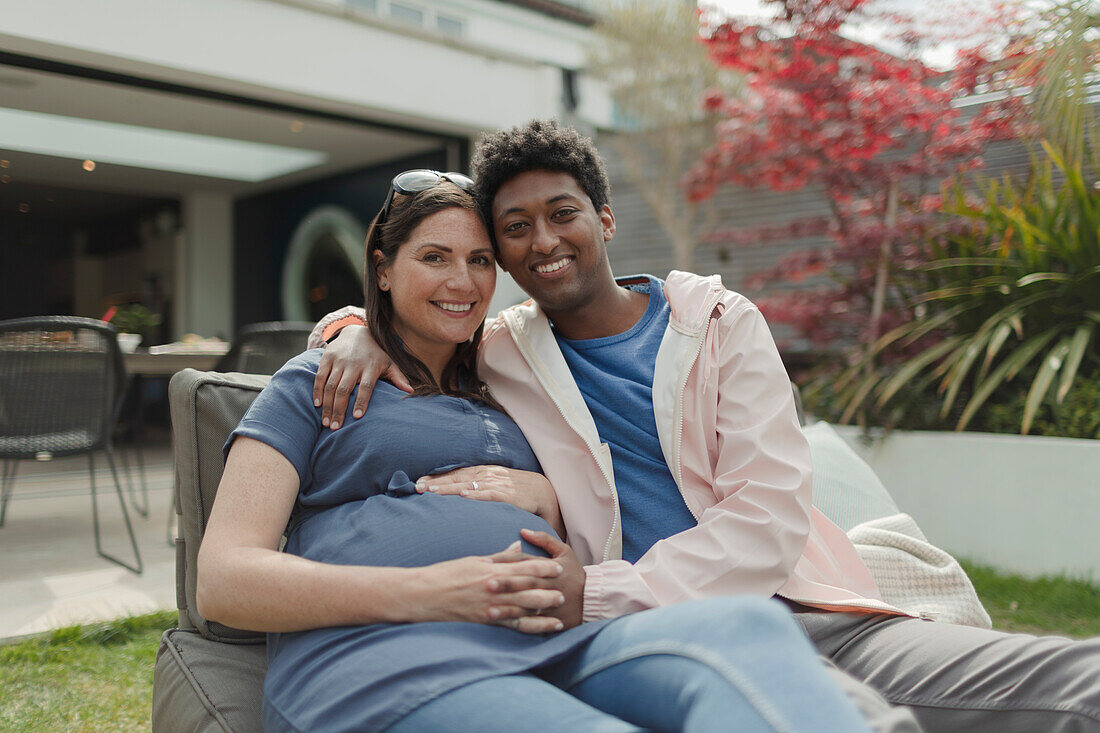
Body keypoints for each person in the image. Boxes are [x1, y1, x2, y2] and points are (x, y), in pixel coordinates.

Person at [311, 119, 1100, 733]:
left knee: (1074, 681)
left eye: (562, 214)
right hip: (653, 648)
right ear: (504, 257)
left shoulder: (720, 324)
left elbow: (765, 526)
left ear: (606, 219)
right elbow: (420, 308)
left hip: (805, 609)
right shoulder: (503, 348)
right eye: (515, 229)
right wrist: (356, 327)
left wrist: (597, 589)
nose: (543, 240)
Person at [197, 172, 872, 732]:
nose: (462, 281)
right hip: (389, 661)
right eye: (435, 257)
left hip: (556, 640)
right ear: (381, 269)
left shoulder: (509, 375)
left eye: (480, 260)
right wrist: (433, 592)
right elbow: (223, 580)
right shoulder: (315, 384)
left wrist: (544, 495)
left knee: (748, 628)